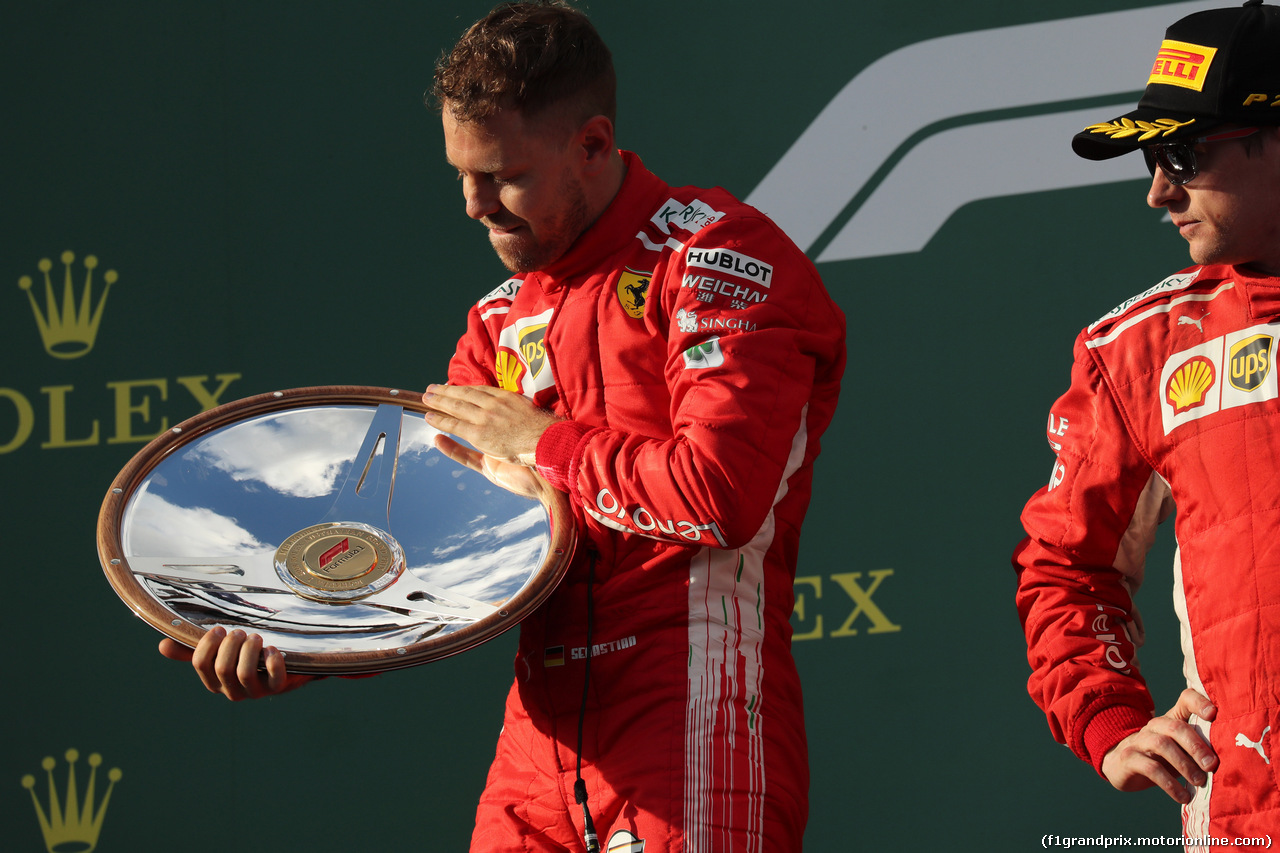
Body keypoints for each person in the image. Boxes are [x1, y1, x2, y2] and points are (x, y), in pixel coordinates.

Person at [161, 2, 846, 850]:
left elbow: (720, 494)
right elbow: (436, 556)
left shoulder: (718, 262)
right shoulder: (496, 323)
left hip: (694, 708)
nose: (473, 203)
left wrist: (540, 443)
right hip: (536, 752)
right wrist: (301, 639)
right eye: (461, 172)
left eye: (503, 175)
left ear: (593, 145)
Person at [1013, 0, 1280, 840]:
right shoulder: (1139, 349)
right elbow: (1064, 566)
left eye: (1183, 153)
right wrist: (1111, 721)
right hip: (1250, 815)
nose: (1159, 189)